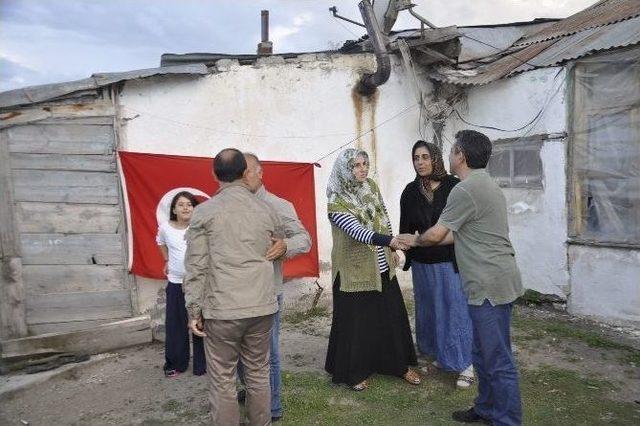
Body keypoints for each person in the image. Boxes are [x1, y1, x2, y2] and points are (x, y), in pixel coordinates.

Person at [398, 130, 524, 425]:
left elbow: (437, 234)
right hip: (492, 281)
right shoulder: (483, 185)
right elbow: (456, 234)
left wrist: (413, 240)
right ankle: (486, 408)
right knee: (481, 354)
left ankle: (507, 420)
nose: (450, 154)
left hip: (488, 283)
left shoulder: (464, 190)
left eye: (453, 149)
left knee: (498, 360)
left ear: (461, 156)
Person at [183, 148, 281, 426]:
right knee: (259, 374)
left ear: (215, 175)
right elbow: (277, 243)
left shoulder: (204, 213)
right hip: (262, 306)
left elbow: (197, 266)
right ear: (244, 173)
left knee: (223, 379)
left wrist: (194, 310)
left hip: (223, 310)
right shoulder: (265, 209)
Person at [324, 148, 420, 392]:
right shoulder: (337, 200)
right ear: (345, 169)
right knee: (357, 324)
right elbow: (357, 231)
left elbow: (384, 218)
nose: (362, 169)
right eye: (356, 165)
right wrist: (391, 241)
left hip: (381, 266)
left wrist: (392, 249)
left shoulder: (371, 188)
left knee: (390, 317)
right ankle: (354, 372)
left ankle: (398, 366)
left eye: (365, 163)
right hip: (353, 270)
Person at [237, 153, 312, 422]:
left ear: (261, 172)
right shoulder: (229, 207)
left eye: (248, 171)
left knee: (267, 352)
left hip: (268, 292)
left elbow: (305, 239)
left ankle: (273, 406)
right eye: (239, 172)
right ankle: (252, 391)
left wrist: (286, 246)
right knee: (238, 351)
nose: (244, 177)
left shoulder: (278, 206)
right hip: (235, 293)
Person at [399, 141, 474, 389]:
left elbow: (463, 226)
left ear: (435, 159)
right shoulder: (410, 192)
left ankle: (465, 364)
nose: (420, 162)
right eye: (416, 158)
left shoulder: (454, 187)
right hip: (423, 263)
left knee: (455, 311)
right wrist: (399, 251)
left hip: (449, 261)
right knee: (430, 312)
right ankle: (442, 358)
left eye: (425, 157)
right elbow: (406, 230)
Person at [156, 191, 206, 378]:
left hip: (199, 283)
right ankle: (176, 363)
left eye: (189, 205)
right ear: (174, 210)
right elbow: (160, 242)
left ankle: (203, 365)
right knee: (176, 326)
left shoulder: (200, 228)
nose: (185, 208)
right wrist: (167, 260)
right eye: (181, 204)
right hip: (176, 282)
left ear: (195, 209)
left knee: (201, 324)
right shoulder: (165, 228)